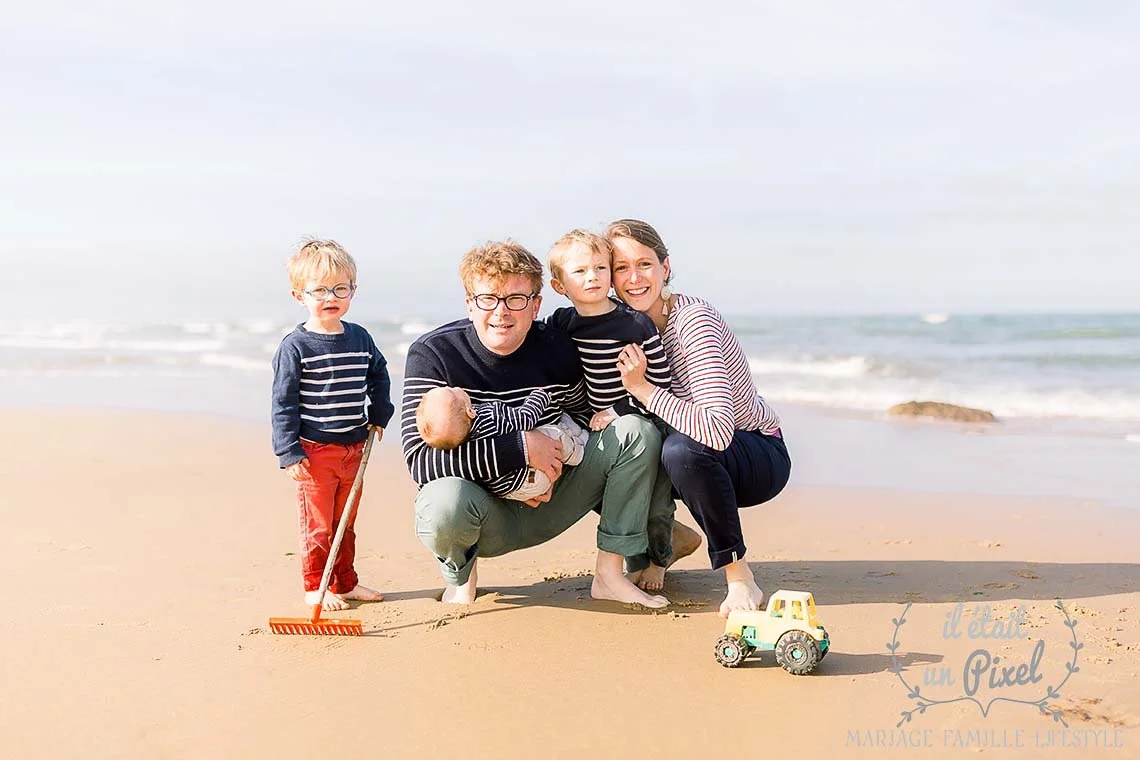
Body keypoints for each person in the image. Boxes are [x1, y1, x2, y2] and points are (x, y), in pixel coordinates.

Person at [401, 240, 673, 608]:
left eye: (516, 299)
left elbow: (582, 416)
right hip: (484, 513)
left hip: (554, 495)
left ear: (536, 305)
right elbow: (422, 461)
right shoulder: (434, 355)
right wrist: (522, 449)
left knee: (635, 432)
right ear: (469, 303)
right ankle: (462, 577)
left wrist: (555, 459)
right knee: (442, 501)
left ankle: (609, 574)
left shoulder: (556, 346)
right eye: (488, 299)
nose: (501, 312)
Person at [603, 219, 791, 617]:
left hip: (754, 453)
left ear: (665, 268)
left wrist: (642, 389)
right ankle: (671, 538)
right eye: (621, 268)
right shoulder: (622, 327)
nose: (634, 278)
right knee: (603, 448)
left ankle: (740, 578)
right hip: (691, 454)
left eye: (645, 265)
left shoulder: (693, 321)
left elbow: (717, 431)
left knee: (681, 450)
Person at [544, 228, 699, 589]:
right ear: (559, 286)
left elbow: (658, 383)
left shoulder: (633, 323)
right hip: (596, 423)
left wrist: (617, 409)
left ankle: (658, 563)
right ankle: (644, 555)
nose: (593, 277)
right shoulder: (564, 323)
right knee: (618, 492)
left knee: (656, 500)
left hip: (646, 419)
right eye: (580, 272)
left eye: (600, 268)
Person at [271, 239, 395, 611]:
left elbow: (379, 374)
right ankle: (315, 586)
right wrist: (289, 452)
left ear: (353, 291)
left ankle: (344, 582)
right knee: (320, 525)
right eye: (320, 290)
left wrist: (379, 412)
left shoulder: (359, 337)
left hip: (354, 447)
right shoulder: (295, 347)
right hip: (314, 452)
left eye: (341, 288)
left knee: (346, 521)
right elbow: (283, 401)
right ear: (299, 295)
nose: (332, 297)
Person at [413, 385, 588, 501]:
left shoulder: (461, 443)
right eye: (451, 391)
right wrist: (539, 397)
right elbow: (524, 419)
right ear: (470, 412)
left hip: (509, 492)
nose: (453, 386)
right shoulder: (490, 417)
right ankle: (577, 451)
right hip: (532, 477)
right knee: (551, 434)